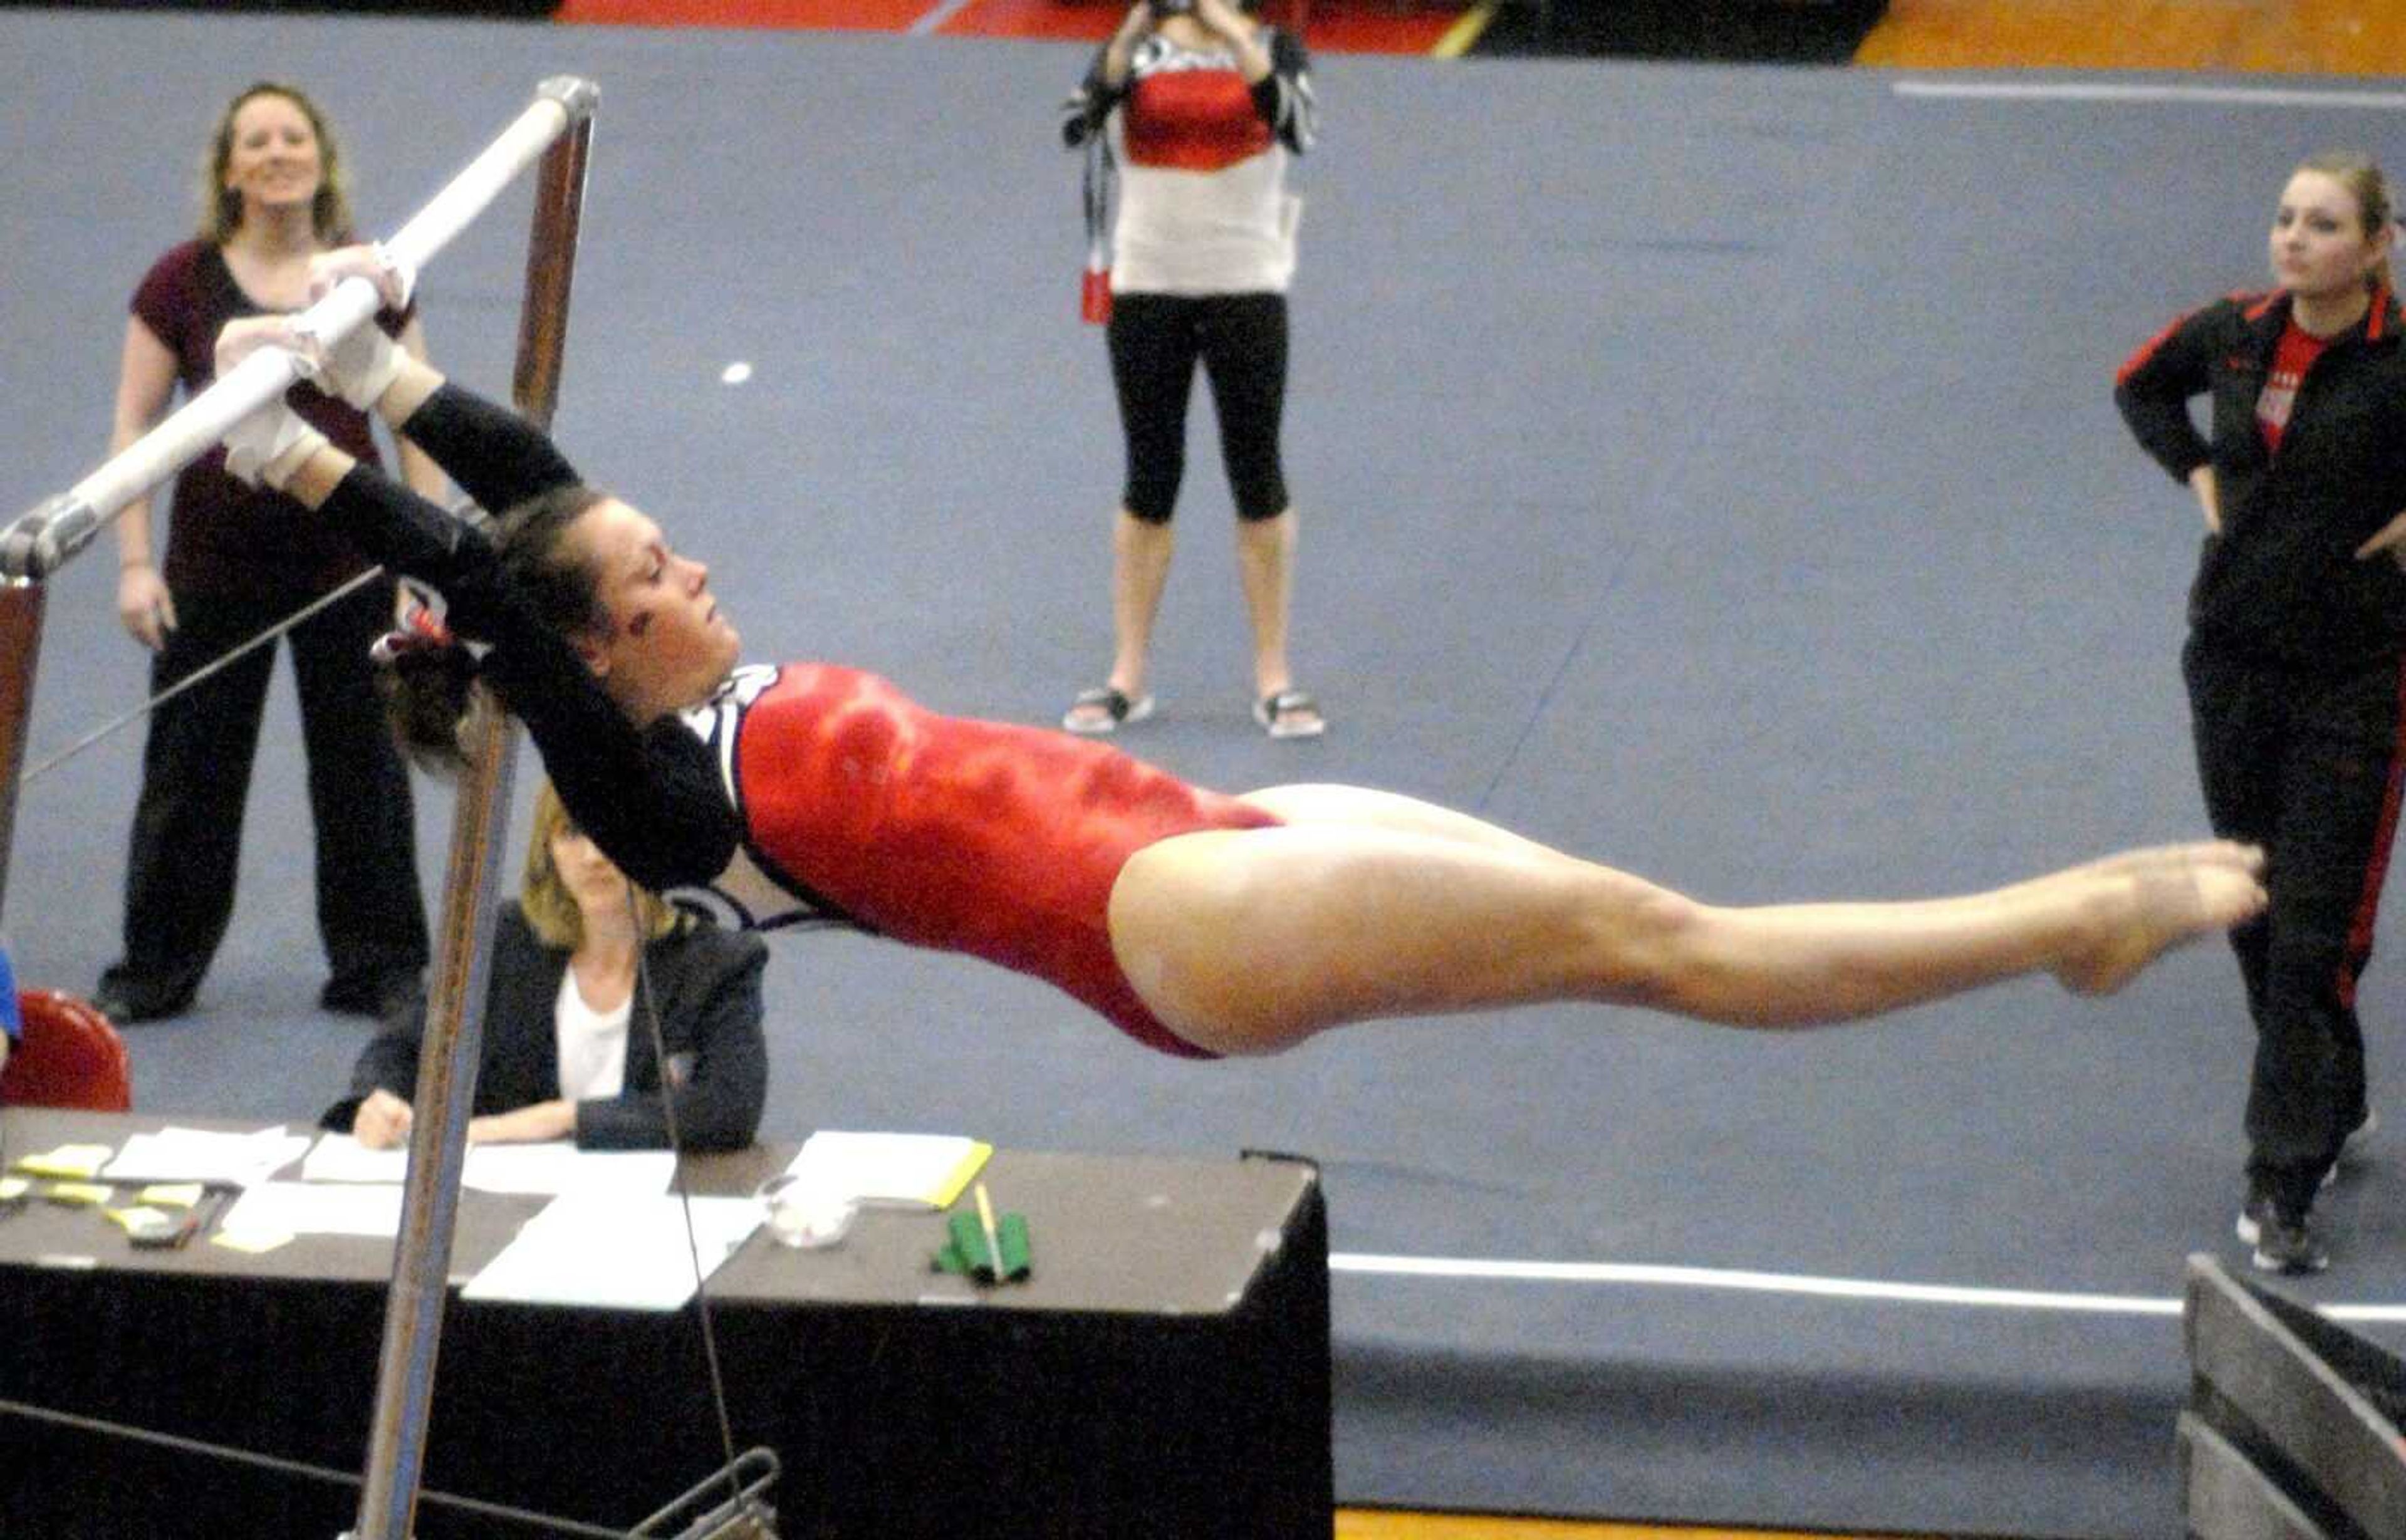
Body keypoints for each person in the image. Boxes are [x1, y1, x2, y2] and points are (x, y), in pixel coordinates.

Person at [207, 266, 2266, 1078]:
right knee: (1665, 939)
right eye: (661, 570)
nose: (701, 560)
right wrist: (301, 457)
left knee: (1651, 927)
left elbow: (532, 497)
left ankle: (2066, 928)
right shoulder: (647, 799)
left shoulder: (682, 681)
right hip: (1162, 913)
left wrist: (384, 358)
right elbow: (488, 564)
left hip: (1198, 835)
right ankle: (2067, 925)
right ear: (597, 648)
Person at [2115, 150, 2406, 1276]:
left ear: (2376, 245)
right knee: (2254, 904)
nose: (2294, 239)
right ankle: (2333, 1093)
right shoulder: (2235, 330)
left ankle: (2280, 1179)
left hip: (2360, 676)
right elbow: (2140, 382)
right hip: (2232, 661)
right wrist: (2196, 473)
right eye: (2285, 217)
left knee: (2312, 933)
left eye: (2325, 224)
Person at [93, 82, 439, 1026]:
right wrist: (133, 561)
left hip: (351, 563)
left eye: (294, 137)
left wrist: (425, 558)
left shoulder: (367, 277)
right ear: (231, 170)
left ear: (321, 159)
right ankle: (157, 965)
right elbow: (136, 426)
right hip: (211, 569)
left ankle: (381, 966)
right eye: (258, 141)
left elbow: (418, 420)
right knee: (190, 774)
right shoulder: (181, 282)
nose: (278, 152)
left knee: (365, 771)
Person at [1058, 0, 1325, 740]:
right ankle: (1127, 675)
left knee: (1257, 476)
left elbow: (1298, 128)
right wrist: (1136, 30)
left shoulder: (1272, 45)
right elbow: (1078, 122)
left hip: (1247, 284)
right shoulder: (1135, 50)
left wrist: (1235, 35)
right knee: (1149, 480)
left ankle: (1274, 676)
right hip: (1147, 287)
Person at [323, 781, 768, 1151]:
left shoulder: (718, 958)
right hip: (504, 1208)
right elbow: (402, 1047)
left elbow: (727, 1109)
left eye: (613, 833)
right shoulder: (503, 939)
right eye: (572, 833)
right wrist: (378, 1100)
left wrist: (561, 1119)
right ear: (548, 850)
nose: (594, 856)